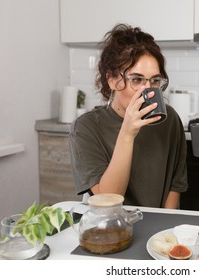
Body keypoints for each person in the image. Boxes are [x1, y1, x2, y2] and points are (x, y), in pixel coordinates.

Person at [69, 23, 188, 208]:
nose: (147, 89)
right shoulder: (86, 127)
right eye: (137, 79)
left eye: (155, 80)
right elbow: (107, 200)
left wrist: (166, 227)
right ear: (112, 79)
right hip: (111, 225)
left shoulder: (169, 119)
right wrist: (127, 132)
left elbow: (176, 184)